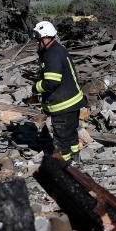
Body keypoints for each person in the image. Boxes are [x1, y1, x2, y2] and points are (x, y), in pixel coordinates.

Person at [31, 21, 85, 163]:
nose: (37, 43)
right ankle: (75, 157)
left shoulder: (52, 54)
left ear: (46, 38)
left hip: (62, 105)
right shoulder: (57, 49)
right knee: (71, 132)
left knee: (61, 139)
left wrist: (35, 87)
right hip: (73, 102)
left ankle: (64, 166)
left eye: (38, 40)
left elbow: (51, 82)